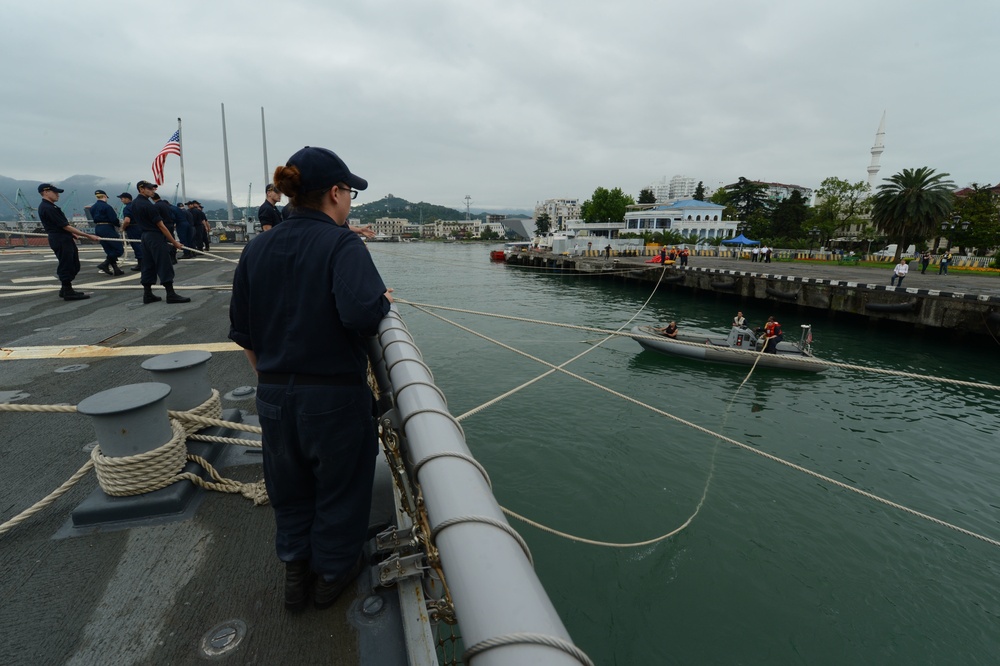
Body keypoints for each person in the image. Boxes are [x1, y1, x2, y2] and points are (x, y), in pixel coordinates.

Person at [229, 146, 394, 612]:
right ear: (336, 194)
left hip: (274, 394)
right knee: (341, 488)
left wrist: (271, 380)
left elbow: (242, 330)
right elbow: (361, 312)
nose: (351, 203)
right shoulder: (343, 244)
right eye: (350, 194)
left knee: (290, 487)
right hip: (335, 397)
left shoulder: (256, 247)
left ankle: (296, 572)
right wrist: (382, 298)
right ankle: (332, 575)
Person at [37, 183, 101, 300]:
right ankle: (67, 290)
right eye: (54, 192)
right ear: (45, 192)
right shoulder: (48, 208)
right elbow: (64, 225)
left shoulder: (50, 207)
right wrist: (87, 235)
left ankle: (65, 289)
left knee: (73, 263)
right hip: (60, 238)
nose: (57, 195)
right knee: (67, 264)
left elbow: (60, 225)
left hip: (63, 237)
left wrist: (71, 234)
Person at [132, 180, 189, 304]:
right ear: (141, 189)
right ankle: (170, 294)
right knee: (164, 263)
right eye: (150, 189)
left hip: (145, 236)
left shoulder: (134, 203)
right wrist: (175, 243)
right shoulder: (148, 205)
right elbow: (161, 226)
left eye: (153, 189)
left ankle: (147, 294)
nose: (152, 191)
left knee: (147, 264)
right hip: (155, 236)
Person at [91, 189, 124, 275]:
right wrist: (120, 225)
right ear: (105, 196)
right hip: (107, 228)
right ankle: (105, 264)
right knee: (118, 249)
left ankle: (116, 269)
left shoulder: (93, 207)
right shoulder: (107, 207)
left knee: (109, 249)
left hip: (98, 228)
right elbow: (113, 219)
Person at [119, 191, 143, 271]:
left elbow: (127, 220)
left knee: (136, 245)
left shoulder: (127, 208)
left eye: (122, 199)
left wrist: (123, 227)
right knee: (143, 245)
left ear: (126, 199)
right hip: (141, 226)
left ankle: (141, 264)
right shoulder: (137, 206)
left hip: (133, 228)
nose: (121, 200)